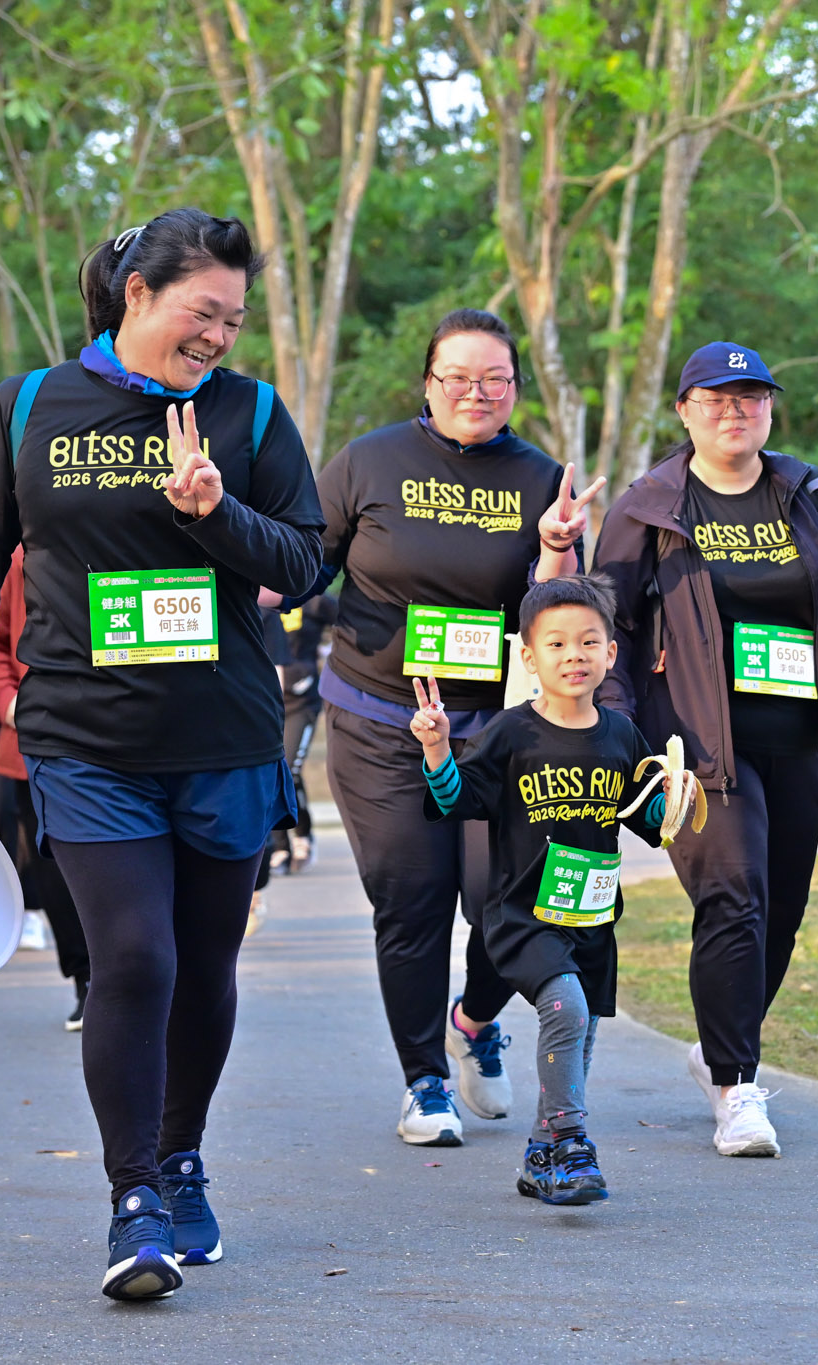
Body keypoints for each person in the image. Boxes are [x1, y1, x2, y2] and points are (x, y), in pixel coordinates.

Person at [0, 207, 323, 1301]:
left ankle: (181, 1158)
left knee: (205, 966)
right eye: (202, 312)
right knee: (133, 958)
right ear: (137, 293)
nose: (218, 337)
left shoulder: (250, 414)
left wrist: (216, 514)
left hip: (225, 741)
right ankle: (132, 1197)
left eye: (234, 320)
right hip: (84, 740)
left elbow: (306, 563)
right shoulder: (30, 406)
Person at [309, 308, 602, 1146]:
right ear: (429, 383)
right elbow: (297, 565)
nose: (476, 392)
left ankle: (472, 1019)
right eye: (458, 377)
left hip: (497, 733)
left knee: (510, 900)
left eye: (495, 379)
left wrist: (555, 546)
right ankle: (424, 1081)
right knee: (414, 899)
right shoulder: (368, 461)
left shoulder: (541, 478)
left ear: (516, 387)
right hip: (382, 721)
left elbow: (555, 613)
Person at [594, 341, 818, 1158]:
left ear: (769, 409)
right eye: (717, 399)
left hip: (794, 736)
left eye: (752, 397)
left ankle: (719, 1044)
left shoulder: (809, 490)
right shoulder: (650, 507)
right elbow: (610, 626)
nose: (736, 412)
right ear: (685, 410)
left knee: (782, 910)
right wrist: (618, 731)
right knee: (735, 898)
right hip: (695, 745)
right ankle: (736, 1087)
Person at [413, 574, 671, 1204]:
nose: (573, 655)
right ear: (529, 657)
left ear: (611, 653)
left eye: (589, 642)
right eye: (556, 644)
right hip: (523, 913)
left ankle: (540, 1156)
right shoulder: (511, 732)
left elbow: (649, 820)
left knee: (579, 1037)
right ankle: (573, 1144)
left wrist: (678, 799)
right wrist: (438, 749)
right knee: (567, 1011)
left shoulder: (621, 735)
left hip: (593, 915)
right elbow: (455, 800)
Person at [0, 545, 91, 1029]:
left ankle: (140, 981)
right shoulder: (23, 556)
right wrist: (10, 705)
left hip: (137, 743)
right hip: (38, 746)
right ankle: (87, 980)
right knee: (58, 874)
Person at [259, 587, 335, 874]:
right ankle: (280, 848)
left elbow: (351, 624)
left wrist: (329, 659)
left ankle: (302, 834)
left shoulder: (314, 600)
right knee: (271, 773)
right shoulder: (251, 597)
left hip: (300, 703)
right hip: (265, 704)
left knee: (289, 769)